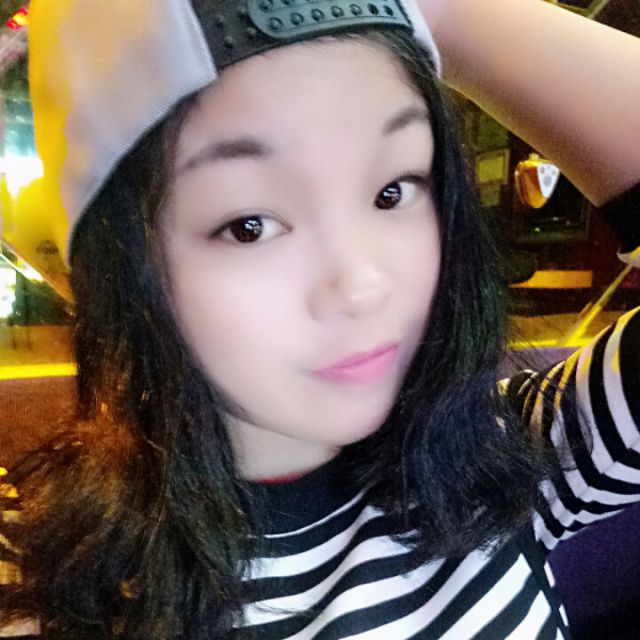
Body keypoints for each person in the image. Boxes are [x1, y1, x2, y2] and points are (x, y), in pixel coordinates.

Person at [0, 0, 638, 638]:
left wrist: (443, 13)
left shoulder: (507, 454)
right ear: (112, 270)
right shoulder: (44, 573)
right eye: (249, 225)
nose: (362, 286)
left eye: (392, 190)